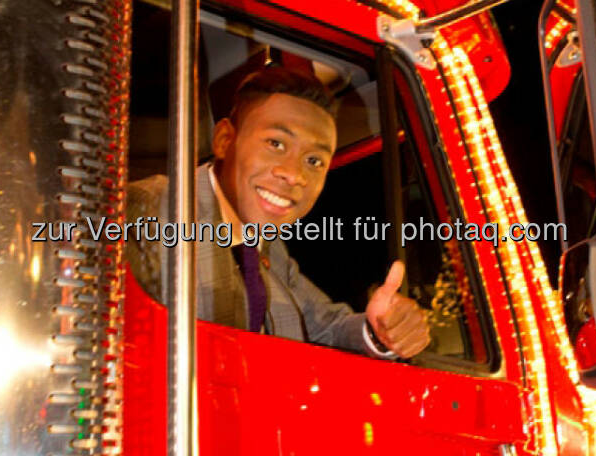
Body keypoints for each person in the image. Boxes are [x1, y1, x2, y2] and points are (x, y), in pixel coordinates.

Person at [127, 66, 430, 359]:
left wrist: (381, 331)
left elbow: (325, 325)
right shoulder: (149, 208)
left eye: (313, 161)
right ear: (224, 140)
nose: (294, 174)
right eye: (276, 143)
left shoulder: (267, 248)